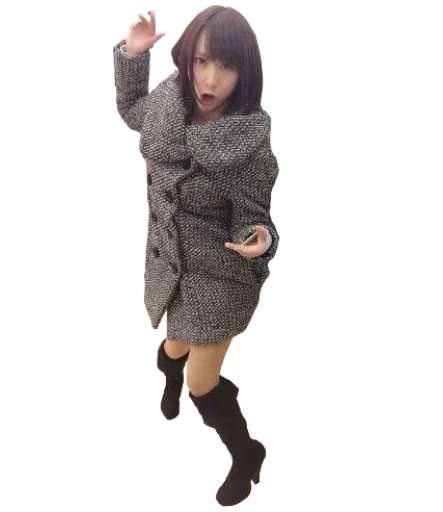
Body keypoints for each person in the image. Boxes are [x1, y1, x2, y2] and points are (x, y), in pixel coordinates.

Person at [112, 5, 281, 507]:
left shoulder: (248, 142)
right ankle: (169, 372)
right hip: (172, 262)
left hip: (222, 276)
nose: (210, 79)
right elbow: (132, 110)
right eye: (203, 61)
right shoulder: (168, 101)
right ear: (187, 57)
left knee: (200, 382)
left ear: (245, 74)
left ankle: (246, 453)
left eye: (227, 67)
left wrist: (259, 239)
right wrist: (133, 56)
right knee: (173, 346)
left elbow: (255, 215)